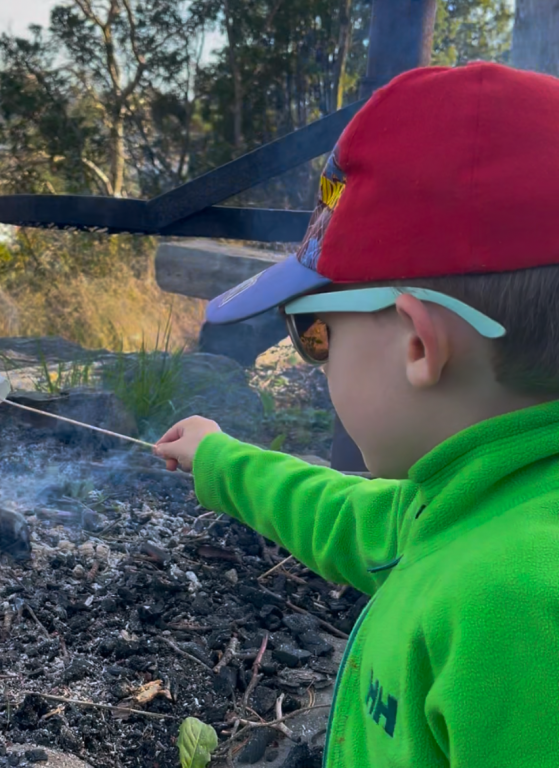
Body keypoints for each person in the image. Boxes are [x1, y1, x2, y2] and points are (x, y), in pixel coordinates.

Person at [154, 62, 559, 768]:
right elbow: (348, 516)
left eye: (313, 332)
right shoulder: (480, 503)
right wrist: (218, 458)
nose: (312, 353)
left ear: (417, 344)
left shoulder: (515, 606)